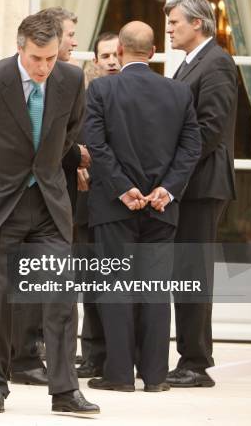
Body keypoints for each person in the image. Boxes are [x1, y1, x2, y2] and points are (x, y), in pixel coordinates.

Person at [0, 11, 99, 415]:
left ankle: (65, 391)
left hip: (49, 204)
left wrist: (44, 168)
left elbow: (70, 130)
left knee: (60, 296)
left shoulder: (70, 80)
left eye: (51, 58)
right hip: (1, 205)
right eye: (37, 58)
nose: (44, 67)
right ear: (20, 48)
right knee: (1, 298)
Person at [84, 21, 200, 392]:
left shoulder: (101, 89)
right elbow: (191, 148)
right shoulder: (179, 93)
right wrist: (167, 188)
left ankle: (118, 375)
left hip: (114, 207)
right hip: (162, 207)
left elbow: (95, 145)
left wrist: (122, 188)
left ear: (119, 52)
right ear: (152, 53)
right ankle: (155, 376)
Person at [163, 0, 238, 388]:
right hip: (189, 185)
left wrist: (171, 177)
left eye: (175, 22)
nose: (169, 28)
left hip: (202, 185)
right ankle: (190, 357)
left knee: (193, 273)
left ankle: (196, 363)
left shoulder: (218, 63)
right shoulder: (190, 64)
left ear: (199, 23)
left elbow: (209, 130)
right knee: (184, 272)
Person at [76, 31, 121, 379]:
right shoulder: (84, 96)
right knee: (90, 281)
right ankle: (92, 352)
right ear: (95, 61)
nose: (111, 62)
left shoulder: (136, 95)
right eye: (105, 56)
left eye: (116, 55)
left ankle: (120, 352)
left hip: (123, 203)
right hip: (86, 202)